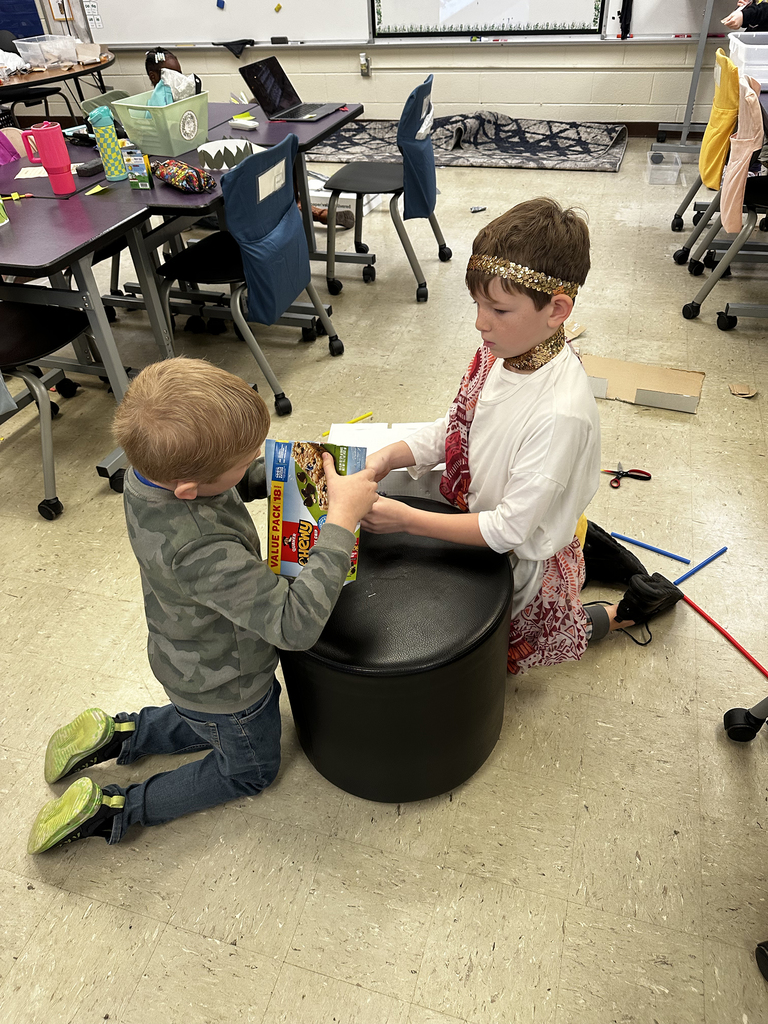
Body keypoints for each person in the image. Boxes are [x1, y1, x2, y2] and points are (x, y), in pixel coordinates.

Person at [27, 358, 378, 853]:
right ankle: (115, 810)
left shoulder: (148, 475)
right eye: (245, 460)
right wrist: (340, 523)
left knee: (204, 720)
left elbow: (221, 486)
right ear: (189, 489)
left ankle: (122, 734)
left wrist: (282, 472)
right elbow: (294, 626)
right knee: (249, 767)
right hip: (229, 682)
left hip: (189, 664)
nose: (251, 463)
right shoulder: (202, 549)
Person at [361, 198, 683, 675]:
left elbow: (508, 531)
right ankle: (580, 539)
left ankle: (622, 611)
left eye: (497, 309)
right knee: (377, 485)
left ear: (557, 309)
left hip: (514, 554)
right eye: (476, 304)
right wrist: (390, 455)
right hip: (484, 506)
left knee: (521, 643)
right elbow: (458, 427)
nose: (479, 322)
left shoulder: (559, 413)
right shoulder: (503, 350)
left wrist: (407, 520)